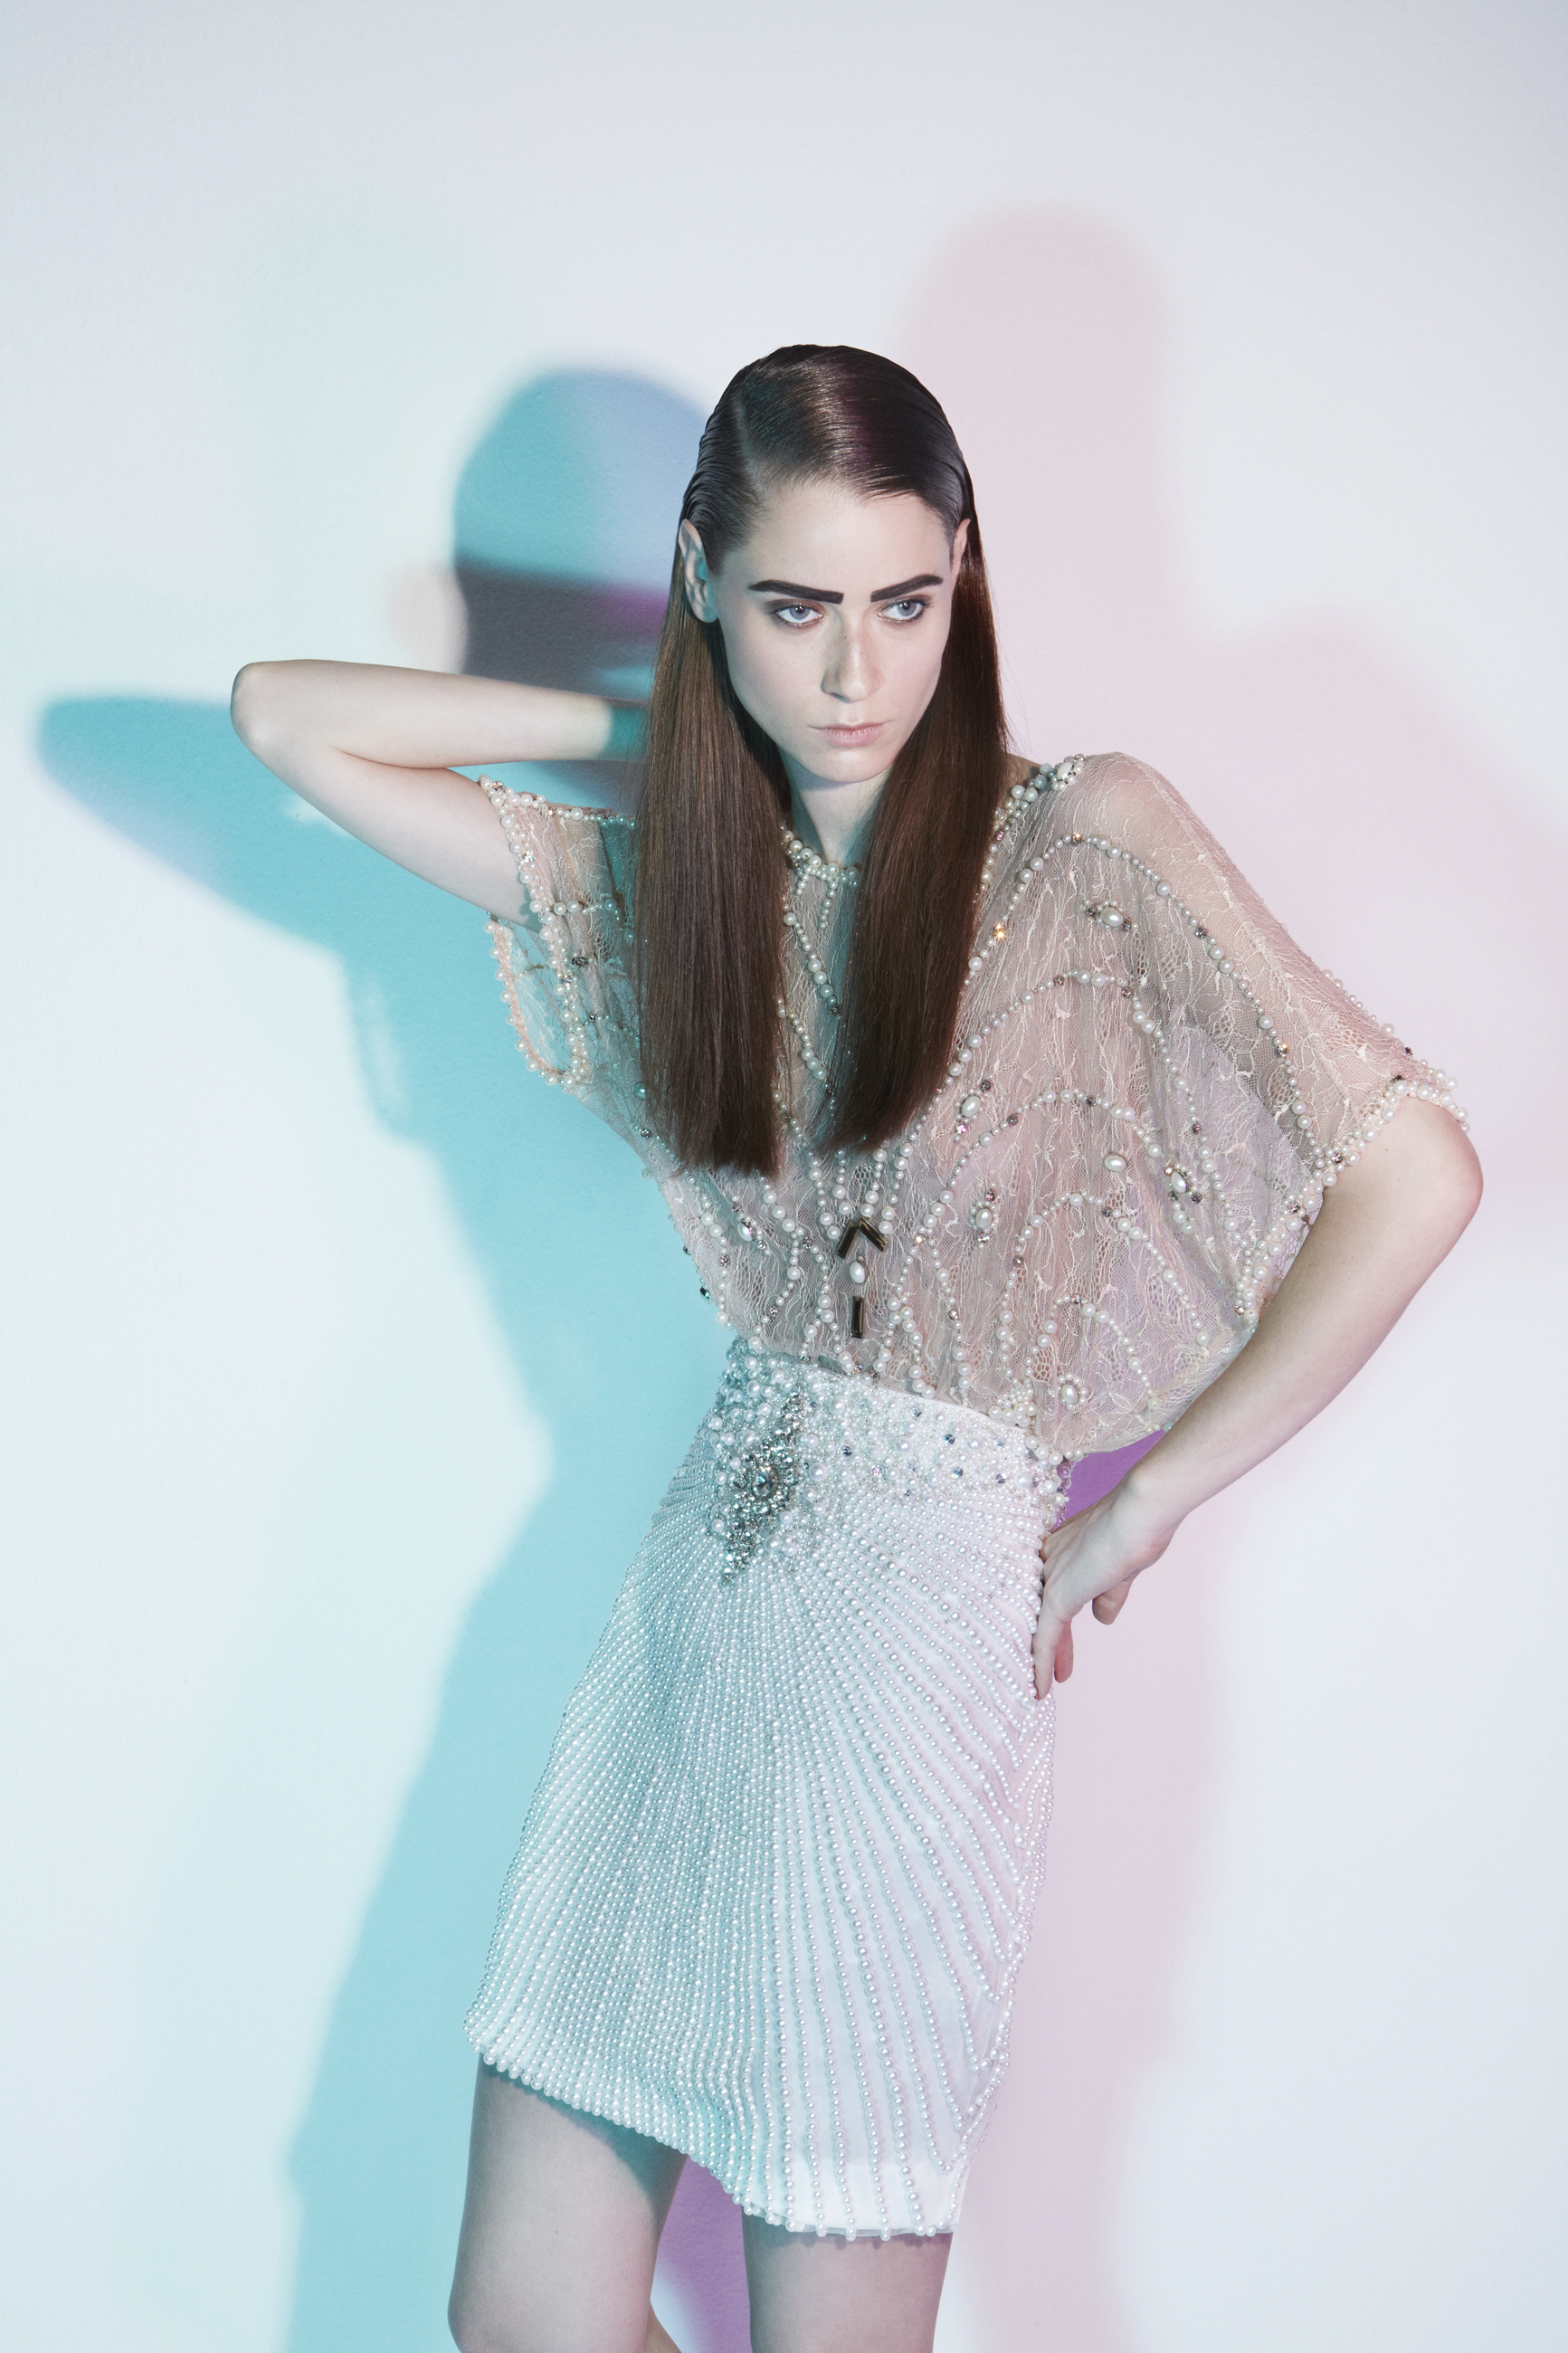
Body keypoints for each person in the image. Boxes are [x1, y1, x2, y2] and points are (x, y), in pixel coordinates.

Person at [231, 345, 1480, 2353]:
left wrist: (1146, 1500)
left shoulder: (1082, 844)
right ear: (706, 583)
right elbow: (285, 721)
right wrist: (663, 717)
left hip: (913, 1660)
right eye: (794, 606)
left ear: (963, 576)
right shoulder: (687, 890)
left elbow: (1416, 1170)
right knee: (525, 2308)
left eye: (905, 603)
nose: (854, 674)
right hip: (695, 1625)